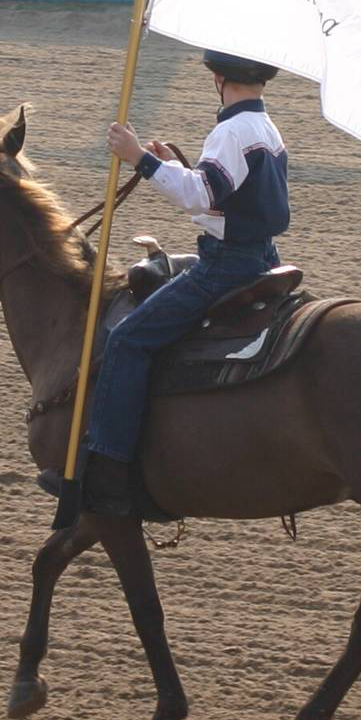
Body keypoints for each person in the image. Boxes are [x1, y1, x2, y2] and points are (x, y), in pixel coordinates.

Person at [62, 49, 290, 517]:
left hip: (228, 264)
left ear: (218, 79)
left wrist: (140, 159)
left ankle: (109, 469)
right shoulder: (265, 128)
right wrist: (170, 168)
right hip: (263, 254)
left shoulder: (229, 131)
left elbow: (198, 194)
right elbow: (223, 200)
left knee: (126, 340)